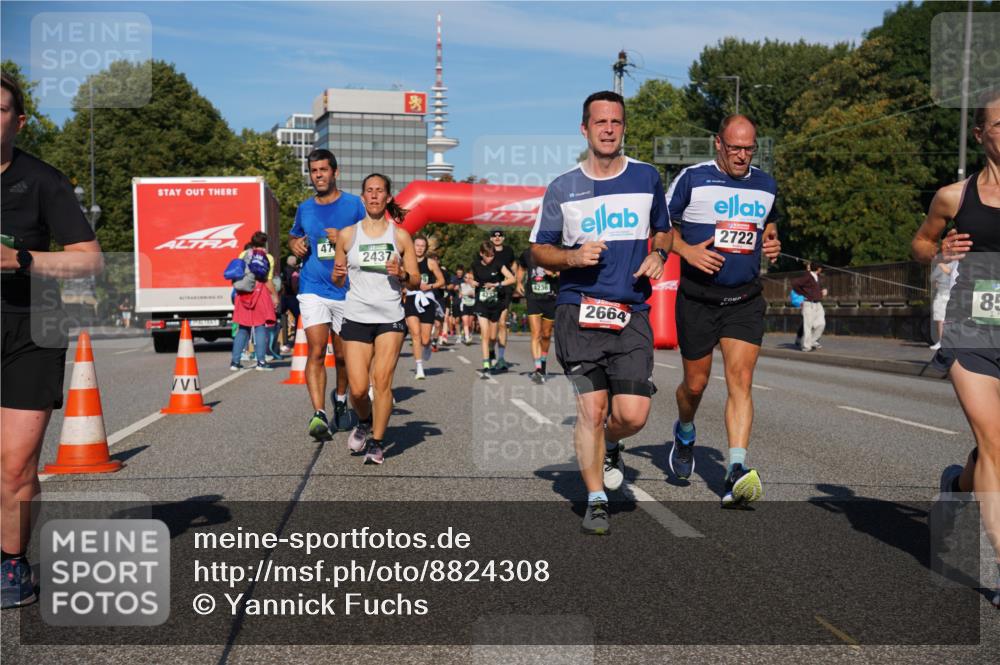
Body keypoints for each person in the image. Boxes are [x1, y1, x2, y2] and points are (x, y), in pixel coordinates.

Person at [531, 90, 671, 535]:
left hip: (631, 311)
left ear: (623, 127)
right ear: (584, 129)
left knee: (632, 415)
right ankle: (595, 499)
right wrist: (572, 257)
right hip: (578, 311)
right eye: (600, 122)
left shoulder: (647, 178)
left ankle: (611, 444)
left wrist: (660, 255)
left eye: (615, 122)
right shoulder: (563, 187)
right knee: (590, 409)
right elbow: (539, 250)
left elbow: (664, 231)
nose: (608, 129)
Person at [1, 72, 104, 608]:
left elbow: (89, 259)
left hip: (31, 328)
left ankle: (11, 562)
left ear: (18, 122)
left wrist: (20, 259)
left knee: (15, 464)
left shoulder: (43, 181)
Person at [911, 89, 1000, 609]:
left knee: (990, 453)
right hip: (973, 332)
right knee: (995, 444)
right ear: (980, 134)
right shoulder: (954, 197)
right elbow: (920, 244)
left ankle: (958, 485)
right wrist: (939, 249)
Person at [666, 113, 781, 508]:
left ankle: (735, 468)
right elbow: (660, 228)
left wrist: (773, 243)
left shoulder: (766, 184)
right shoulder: (692, 179)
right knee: (695, 385)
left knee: (741, 380)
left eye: (749, 149)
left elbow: (769, 227)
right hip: (697, 300)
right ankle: (684, 431)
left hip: (743, 301)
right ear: (718, 143)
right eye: (734, 148)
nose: (742, 156)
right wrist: (687, 251)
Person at [333, 174, 419, 465]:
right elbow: (337, 277)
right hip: (356, 315)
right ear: (362, 198)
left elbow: (416, 279)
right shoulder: (347, 235)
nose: (373, 195)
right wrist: (337, 276)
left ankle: (377, 442)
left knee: (381, 381)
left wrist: (402, 274)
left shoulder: (400, 236)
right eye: (369, 191)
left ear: (388, 198)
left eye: (379, 191)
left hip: (389, 316)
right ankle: (364, 421)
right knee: (358, 389)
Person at [289, 149, 366, 439]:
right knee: (317, 350)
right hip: (313, 288)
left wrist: (347, 238)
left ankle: (341, 398)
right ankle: (319, 414)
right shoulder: (305, 208)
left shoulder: (354, 205)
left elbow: (373, 235)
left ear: (335, 172)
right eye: (314, 171)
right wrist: (294, 244)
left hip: (346, 291)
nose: (318, 175)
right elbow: (294, 234)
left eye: (323, 170)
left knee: (344, 356)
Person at [230, 232, 279, 371]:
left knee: (243, 328)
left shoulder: (243, 254)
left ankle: (235, 362)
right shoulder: (268, 257)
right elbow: (268, 280)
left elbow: (237, 272)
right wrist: (275, 296)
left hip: (243, 293)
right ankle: (261, 362)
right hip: (260, 292)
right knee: (260, 327)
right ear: (265, 243)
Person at [470, 242, 516, 377]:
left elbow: (512, 279)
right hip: (481, 302)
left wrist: (497, 284)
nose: (490, 258)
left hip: (496, 303)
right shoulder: (475, 265)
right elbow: (471, 278)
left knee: (492, 336)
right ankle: (486, 365)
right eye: (487, 256)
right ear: (481, 254)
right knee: (484, 333)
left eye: (492, 255)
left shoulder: (498, 264)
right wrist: (471, 282)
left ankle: (491, 351)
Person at [403, 235, 445, 380]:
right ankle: (419, 368)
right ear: (412, 246)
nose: (419, 248)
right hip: (411, 299)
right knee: (415, 334)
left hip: (427, 300)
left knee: (425, 339)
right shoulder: (407, 262)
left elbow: (442, 281)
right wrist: (404, 287)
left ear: (426, 248)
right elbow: (401, 278)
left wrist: (430, 286)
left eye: (422, 246)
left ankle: (427, 346)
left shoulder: (431, 263)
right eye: (417, 245)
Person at [516, 247, 558, 383]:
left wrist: (553, 274)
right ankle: (538, 368)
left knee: (546, 335)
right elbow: (521, 268)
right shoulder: (527, 253)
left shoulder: (554, 251)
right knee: (536, 333)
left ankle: (543, 362)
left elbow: (564, 271)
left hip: (550, 297)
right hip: (533, 298)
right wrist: (518, 282)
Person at [481, 227, 516, 371]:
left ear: (503, 238)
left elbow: (514, 265)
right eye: (494, 236)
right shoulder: (486, 250)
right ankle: (490, 351)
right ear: (491, 238)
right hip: (489, 291)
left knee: (502, 322)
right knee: (491, 327)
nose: (497, 238)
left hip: (504, 290)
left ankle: (501, 358)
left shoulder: (508, 251)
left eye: (500, 236)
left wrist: (513, 279)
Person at [791, 262, 827, 352]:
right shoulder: (807, 277)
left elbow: (818, 288)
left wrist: (823, 291)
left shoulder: (818, 277)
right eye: (821, 268)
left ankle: (812, 341)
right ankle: (806, 346)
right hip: (809, 304)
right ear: (818, 268)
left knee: (821, 324)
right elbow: (795, 284)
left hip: (818, 303)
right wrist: (803, 293)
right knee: (808, 326)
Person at [929, 255, 957, 351]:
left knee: (940, 319)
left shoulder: (940, 266)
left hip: (942, 295)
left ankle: (942, 342)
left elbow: (932, 278)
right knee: (949, 319)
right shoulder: (957, 264)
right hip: (953, 295)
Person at [280, 255, 300, 353]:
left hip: (283, 297)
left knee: (279, 316)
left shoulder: (283, 270)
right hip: (292, 297)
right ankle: (297, 339)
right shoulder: (295, 272)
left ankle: (280, 340)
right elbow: (294, 285)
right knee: (299, 318)